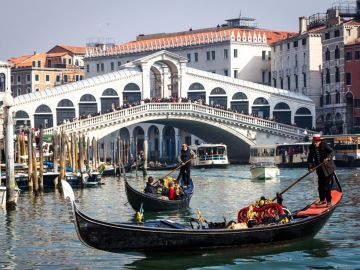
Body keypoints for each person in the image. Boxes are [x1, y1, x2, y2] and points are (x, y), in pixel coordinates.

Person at [307, 134, 336, 207]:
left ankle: (329, 201)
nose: (315, 143)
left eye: (316, 142)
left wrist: (328, 158)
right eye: (314, 141)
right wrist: (310, 167)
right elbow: (310, 159)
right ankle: (322, 200)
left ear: (319, 141)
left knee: (326, 185)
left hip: (328, 168)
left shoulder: (325, 145)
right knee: (320, 186)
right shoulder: (312, 147)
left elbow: (332, 152)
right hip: (319, 169)